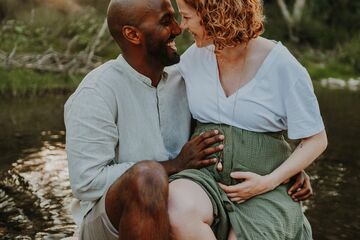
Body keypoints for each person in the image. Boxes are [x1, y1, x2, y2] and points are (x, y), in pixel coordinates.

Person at [64, 0, 315, 239]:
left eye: (179, 17)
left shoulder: (183, 78)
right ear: (133, 35)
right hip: (110, 222)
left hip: (183, 194)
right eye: (166, 22)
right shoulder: (96, 92)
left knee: (173, 197)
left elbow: (228, 126)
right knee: (149, 179)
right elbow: (87, 183)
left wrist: (283, 167)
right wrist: (173, 164)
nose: (177, 29)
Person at [167, 0, 328, 239]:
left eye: (187, 17)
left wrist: (272, 180)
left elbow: (316, 139)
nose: (182, 26)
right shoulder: (193, 59)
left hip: (265, 185)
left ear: (214, 15)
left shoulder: (282, 66)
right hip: (205, 178)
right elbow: (154, 87)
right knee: (175, 207)